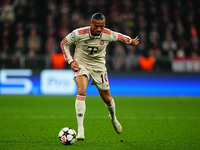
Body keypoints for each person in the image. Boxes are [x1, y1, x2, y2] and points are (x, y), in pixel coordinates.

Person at [60, 13, 139, 140]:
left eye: (101, 26)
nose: (98, 29)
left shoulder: (108, 34)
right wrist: (71, 61)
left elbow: (119, 36)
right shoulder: (79, 33)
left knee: (107, 99)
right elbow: (64, 43)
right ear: (91, 24)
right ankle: (81, 129)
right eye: (96, 26)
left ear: (104, 25)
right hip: (82, 65)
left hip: (99, 68)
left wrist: (131, 41)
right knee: (81, 90)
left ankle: (113, 118)